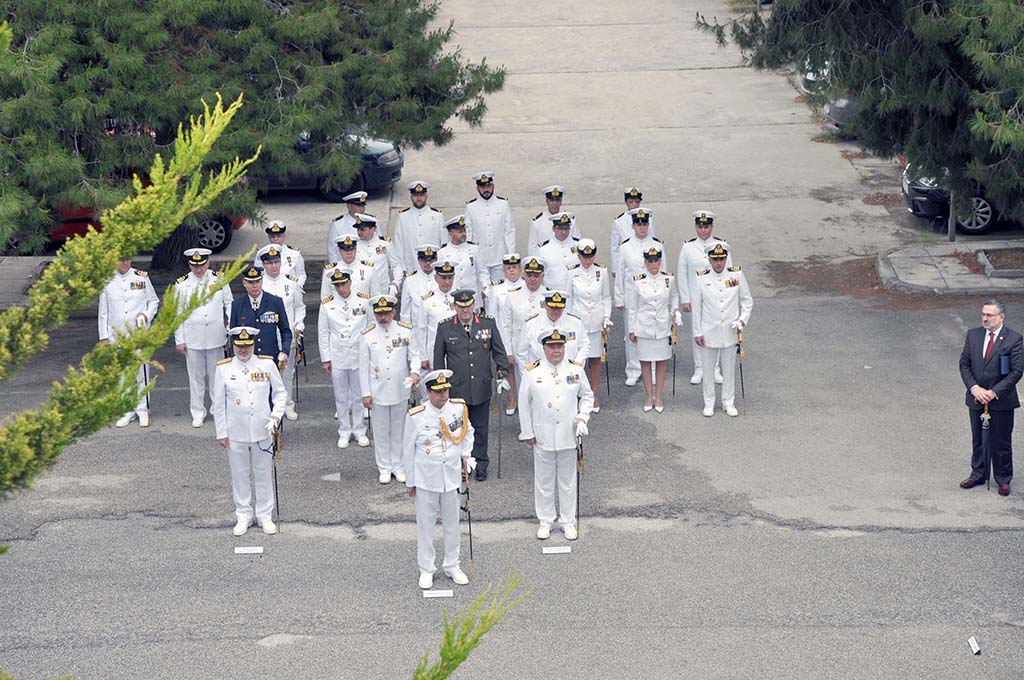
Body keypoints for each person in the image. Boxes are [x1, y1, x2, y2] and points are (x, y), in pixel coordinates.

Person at [518, 329, 594, 540]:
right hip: (542, 434)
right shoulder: (532, 371)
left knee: (568, 481)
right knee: (543, 481)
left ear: (564, 347)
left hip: (567, 434)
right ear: (543, 348)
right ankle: (545, 520)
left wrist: (582, 417)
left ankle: (568, 521)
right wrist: (527, 432)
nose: (556, 351)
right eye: (551, 347)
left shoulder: (575, 369)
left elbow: (587, 396)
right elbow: (524, 404)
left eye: (559, 346)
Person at [403, 369, 474, 589]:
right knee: (426, 525)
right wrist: (410, 482)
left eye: (445, 390)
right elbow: (407, 450)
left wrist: (466, 454)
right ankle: (426, 568)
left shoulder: (458, 408)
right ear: (427, 392)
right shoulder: (416, 415)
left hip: (451, 476)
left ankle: (452, 564)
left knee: (452, 523)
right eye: (437, 391)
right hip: (426, 477)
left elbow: (468, 432)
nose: (442, 395)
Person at [212, 327, 286, 536]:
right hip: (236, 432)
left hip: (262, 430)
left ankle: (265, 515)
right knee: (240, 475)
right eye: (239, 346)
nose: (243, 350)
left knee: (263, 474)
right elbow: (218, 404)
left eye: (247, 346)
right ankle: (243, 515)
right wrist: (221, 432)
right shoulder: (224, 369)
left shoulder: (266, 364)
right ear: (233, 345)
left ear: (253, 344)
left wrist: (276, 417)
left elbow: (280, 394)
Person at [433, 289, 511, 481]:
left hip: (480, 386)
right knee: (458, 428)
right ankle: (460, 464)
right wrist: (439, 385)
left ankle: (481, 463)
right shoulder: (445, 328)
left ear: (474, 305)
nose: (465, 310)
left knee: (481, 427)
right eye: (461, 306)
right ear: (454, 307)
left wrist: (503, 373)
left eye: (468, 306)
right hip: (456, 388)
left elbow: (499, 352)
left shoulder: (487, 324)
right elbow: (438, 358)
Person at [958, 300, 1024, 496]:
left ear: (1001, 317)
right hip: (977, 397)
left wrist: (993, 392)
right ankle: (978, 473)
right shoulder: (973, 335)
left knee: (1001, 441)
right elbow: (965, 365)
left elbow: (1016, 371)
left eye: (990, 315)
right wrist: (975, 388)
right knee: (978, 438)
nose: (985, 318)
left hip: (1001, 400)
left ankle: (1003, 479)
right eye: (983, 314)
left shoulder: (1014, 339)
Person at [359, 294, 420, 484]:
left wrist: (415, 372)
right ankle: (384, 467)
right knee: (381, 430)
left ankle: (399, 465)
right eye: (379, 313)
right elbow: (363, 366)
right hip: (377, 390)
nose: (383, 317)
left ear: (394, 311)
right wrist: (365, 393)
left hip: (400, 388)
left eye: (386, 313)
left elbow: (415, 355)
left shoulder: (405, 330)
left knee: (399, 429)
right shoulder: (367, 334)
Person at [172, 247, 232, 428]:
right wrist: (179, 339)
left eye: (202, 265)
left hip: (216, 336)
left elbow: (229, 304)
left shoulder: (220, 279)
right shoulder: (181, 285)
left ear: (208, 262)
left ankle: (217, 410)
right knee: (196, 378)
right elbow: (177, 313)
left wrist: (231, 327)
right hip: (193, 338)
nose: (198, 269)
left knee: (217, 377)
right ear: (189, 264)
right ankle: (197, 412)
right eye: (194, 265)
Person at [99, 255, 160, 428]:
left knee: (141, 373)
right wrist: (104, 336)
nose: (125, 263)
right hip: (116, 335)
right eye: (121, 259)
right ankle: (127, 410)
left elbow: (153, 301)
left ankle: (142, 410)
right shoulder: (107, 280)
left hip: (138, 335)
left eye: (128, 259)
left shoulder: (141, 277)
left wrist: (146, 316)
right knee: (122, 375)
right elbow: (103, 312)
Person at [692, 244, 752, 417]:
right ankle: (709, 402)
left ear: (726, 258)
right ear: (709, 259)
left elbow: (747, 300)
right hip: (708, 330)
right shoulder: (701, 278)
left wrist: (742, 320)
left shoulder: (736, 275)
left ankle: (728, 402)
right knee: (708, 370)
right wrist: (697, 332)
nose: (719, 263)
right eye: (715, 259)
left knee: (728, 369)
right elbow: (696, 307)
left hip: (729, 331)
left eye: (722, 259)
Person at [676, 210, 731, 385]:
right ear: (696, 227)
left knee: (716, 330)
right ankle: (699, 368)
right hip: (695, 297)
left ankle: (714, 369)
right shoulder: (688, 247)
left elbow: (728, 272)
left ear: (712, 227)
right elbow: (682, 273)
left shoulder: (721, 245)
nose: (703, 230)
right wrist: (685, 298)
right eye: (700, 227)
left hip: (715, 297)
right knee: (697, 331)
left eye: (706, 227)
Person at [318, 270, 371, 449]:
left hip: (359, 355)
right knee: (341, 397)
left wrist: (371, 354)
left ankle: (359, 430)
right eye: (337, 285)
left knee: (358, 395)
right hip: (338, 355)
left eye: (343, 284)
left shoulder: (364, 300)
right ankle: (344, 430)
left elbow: (371, 327)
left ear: (350, 282)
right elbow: (323, 332)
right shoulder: (327, 304)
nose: (341, 288)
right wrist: (326, 358)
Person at [627, 244, 679, 413]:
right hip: (644, 327)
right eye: (650, 261)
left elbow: (674, 297)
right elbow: (633, 307)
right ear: (645, 262)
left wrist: (675, 311)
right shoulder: (638, 281)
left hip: (663, 326)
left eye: (656, 261)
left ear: (660, 261)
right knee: (646, 362)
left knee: (662, 361)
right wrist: (632, 329)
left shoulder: (668, 279)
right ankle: (649, 396)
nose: (653, 264)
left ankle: (659, 395)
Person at [614, 208, 662, 386]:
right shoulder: (625, 247)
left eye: (645, 224)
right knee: (632, 334)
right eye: (638, 224)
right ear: (633, 226)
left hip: (652, 296)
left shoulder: (657, 245)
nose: (642, 228)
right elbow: (620, 273)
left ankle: (654, 368)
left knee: (653, 333)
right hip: (632, 296)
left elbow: (663, 272)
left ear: (648, 225)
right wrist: (619, 298)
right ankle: (633, 369)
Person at [258, 245, 305, 421]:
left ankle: (287, 404)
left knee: (287, 372)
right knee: (266, 373)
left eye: (276, 262)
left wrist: (299, 324)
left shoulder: (291, 282)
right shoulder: (259, 284)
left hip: (287, 337)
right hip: (267, 337)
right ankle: (268, 405)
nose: (273, 266)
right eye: (269, 263)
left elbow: (300, 307)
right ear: (263, 264)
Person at [569, 239, 612, 412]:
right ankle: (577, 394)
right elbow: (569, 299)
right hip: (578, 323)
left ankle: (593, 394)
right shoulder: (571, 273)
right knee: (577, 360)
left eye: (590, 256)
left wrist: (606, 317)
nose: (587, 260)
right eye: (584, 257)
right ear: (579, 256)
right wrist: (570, 321)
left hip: (595, 321)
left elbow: (606, 297)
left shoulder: (601, 272)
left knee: (595, 360)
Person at [499, 256, 550, 388]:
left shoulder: (550, 296)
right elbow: (505, 326)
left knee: (544, 385)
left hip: (543, 349)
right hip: (520, 350)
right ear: (524, 275)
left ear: (542, 276)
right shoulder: (512, 296)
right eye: (529, 275)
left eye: (536, 275)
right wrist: (508, 352)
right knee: (523, 386)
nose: (532, 279)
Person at [228, 266, 292, 370]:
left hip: (270, 358)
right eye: (250, 282)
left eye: (257, 282)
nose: (254, 286)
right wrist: (234, 358)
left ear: (262, 281)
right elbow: (233, 335)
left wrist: (285, 351)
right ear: (244, 283)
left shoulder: (275, 302)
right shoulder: (237, 305)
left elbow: (285, 331)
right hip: (246, 359)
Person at [486, 253, 525, 414]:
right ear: (504, 270)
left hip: (522, 335)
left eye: (514, 267)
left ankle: (525, 398)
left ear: (520, 269)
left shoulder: (526, 285)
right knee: (508, 367)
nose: (512, 271)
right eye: (508, 268)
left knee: (524, 369)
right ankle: (511, 398)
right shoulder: (497, 288)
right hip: (504, 335)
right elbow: (492, 315)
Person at [463, 171, 515, 281]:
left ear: (493, 186)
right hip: (480, 258)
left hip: (500, 257)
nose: (486, 189)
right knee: (482, 292)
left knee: (501, 291)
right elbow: (468, 233)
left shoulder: (503, 204)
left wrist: (511, 256)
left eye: (488, 186)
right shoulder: (471, 207)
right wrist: (469, 257)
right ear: (477, 188)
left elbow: (509, 231)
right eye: (482, 186)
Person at [520, 290, 590, 366]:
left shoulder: (575, 322)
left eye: (559, 308)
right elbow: (522, 353)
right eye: (552, 307)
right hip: (540, 374)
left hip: (569, 371)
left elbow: (585, 345)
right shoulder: (530, 324)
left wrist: (577, 365)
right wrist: (528, 374)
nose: (555, 311)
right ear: (545, 305)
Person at [391, 181, 445, 275]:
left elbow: (444, 244)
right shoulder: (403, 217)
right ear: (411, 197)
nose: (419, 198)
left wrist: (441, 267)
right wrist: (402, 268)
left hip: (432, 268)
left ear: (426, 196)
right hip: (410, 268)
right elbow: (399, 244)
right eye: (416, 195)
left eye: (421, 195)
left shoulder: (437, 216)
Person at [413, 260, 457, 374]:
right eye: (443, 278)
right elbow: (421, 330)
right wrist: (423, 356)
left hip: (458, 352)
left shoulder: (460, 298)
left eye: (450, 278)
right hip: (436, 352)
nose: (447, 282)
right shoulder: (427, 300)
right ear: (436, 278)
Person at [437, 215, 488, 310]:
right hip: (453, 300)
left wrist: (485, 289)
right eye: (459, 232)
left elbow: (482, 272)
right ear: (450, 233)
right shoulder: (442, 253)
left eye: (464, 231)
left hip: (473, 298)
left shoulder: (474, 249)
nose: (463, 234)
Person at [610, 187, 657, 283]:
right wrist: (615, 268)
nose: (634, 205)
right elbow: (614, 247)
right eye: (631, 202)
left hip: (645, 259)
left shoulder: (649, 219)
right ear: (626, 202)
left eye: (636, 202)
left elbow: (653, 240)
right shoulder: (619, 221)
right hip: (627, 260)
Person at [321, 234, 385, 300]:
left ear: (356, 249)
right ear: (340, 251)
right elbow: (325, 298)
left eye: (351, 249)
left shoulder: (369, 269)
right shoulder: (330, 271)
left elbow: (376, 296)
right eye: (345, 250)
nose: (349, 253)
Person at [353, 214, 401, 297]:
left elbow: (396, 265)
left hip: (382, 291)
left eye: (362, 229)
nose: (359, 232)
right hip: (362, 292)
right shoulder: (354, 245)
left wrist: (396, 282)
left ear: (373, 229)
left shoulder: (385, 244)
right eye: (358, 229)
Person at [536, 212, 581, 293]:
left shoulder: (578, 245)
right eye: (560, 228)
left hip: (575, 293)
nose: (563, 232)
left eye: (566, 228)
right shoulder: (543, 249)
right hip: (553, 293)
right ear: (553, 228)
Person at [528, 185, 580, 255]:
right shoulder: (537, 222)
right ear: (546, 201)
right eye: (551, 200)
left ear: (561, 201)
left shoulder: (571, 220)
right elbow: (532, 247)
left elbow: (577, 244)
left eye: (557, 200)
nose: (554, 203)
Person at [256, 221, 306, 288]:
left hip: (290, 288)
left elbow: (301, 275)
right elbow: (258, 274)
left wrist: (298, 286)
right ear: (268, 237)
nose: (276, 239)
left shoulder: (294, 253)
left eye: (279, 236)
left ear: (284, 236)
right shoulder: (262, 253)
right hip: (269, 289)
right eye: (272, 236)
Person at [400, 244, 439, 329]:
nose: (428, 263)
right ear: (418, 260)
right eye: (424, 260)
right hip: (417, 330)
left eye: (431, 260)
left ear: (436, 260)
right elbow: (405, 312)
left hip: (438, 329)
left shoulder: (442, 279)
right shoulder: (410, 281)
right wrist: (407, 332)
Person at [326, 190, 367, 262]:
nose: (362, 209)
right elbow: (332, 251)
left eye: (363, 206)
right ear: (349, 206)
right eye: (358, 206)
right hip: (345, 266)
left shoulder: (371, 222)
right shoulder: (337, 224)